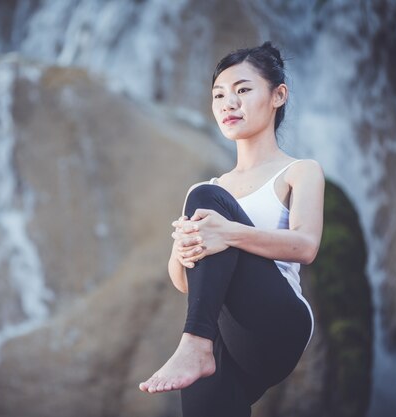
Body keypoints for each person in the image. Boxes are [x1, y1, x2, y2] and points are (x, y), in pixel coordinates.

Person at [138, 42, 325, 416]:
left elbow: (305, 246)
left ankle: (194, 343)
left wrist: (226, 232)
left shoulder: (300, 171)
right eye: (219, 95)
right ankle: (199, 348)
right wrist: (182, 250)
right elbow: (187, 282)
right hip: (227, 332)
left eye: (243, 90)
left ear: (278, 95)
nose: (228, 103)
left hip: (278, 322)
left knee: (208, 199)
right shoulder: (206, 192)